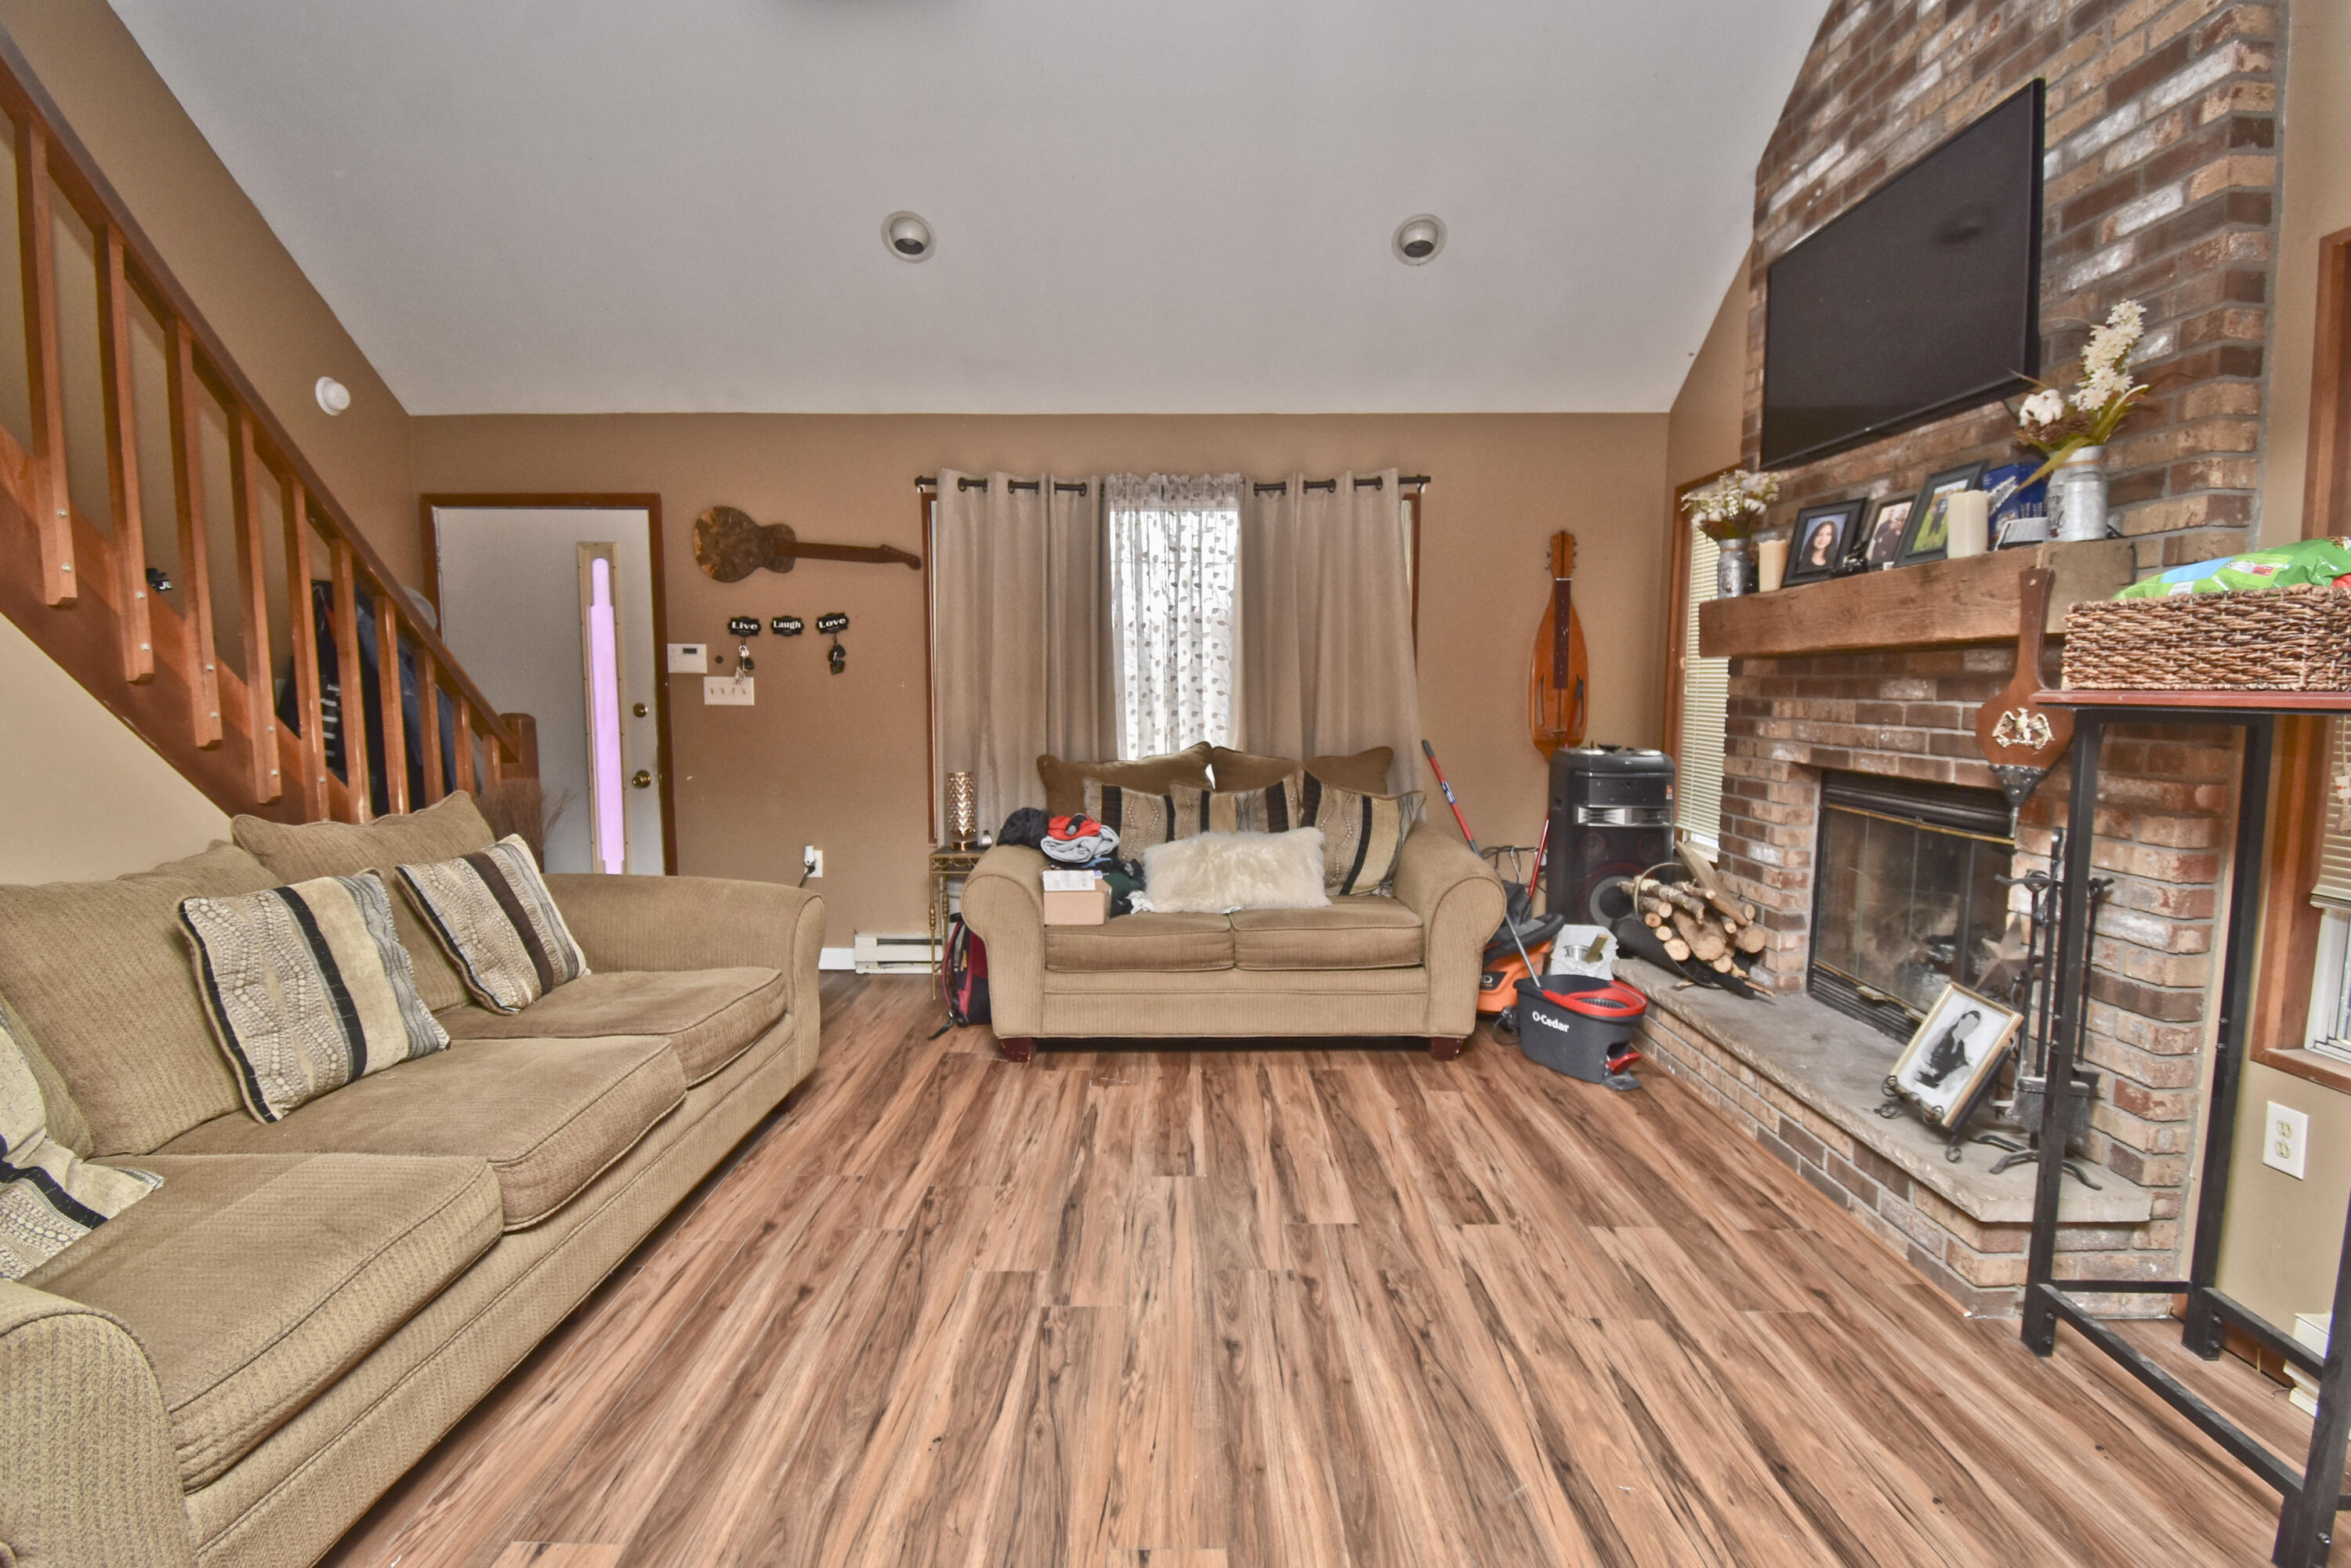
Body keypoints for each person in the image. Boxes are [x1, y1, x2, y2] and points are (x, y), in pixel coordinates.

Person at [1916, 1007, 1980, 1088]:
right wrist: (1932, 1068)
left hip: (1939, 1085)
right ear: (1961, 1022)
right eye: (1967, 1025)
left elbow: (1962, 1065)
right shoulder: (1944, 1033)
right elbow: (1924, 1053)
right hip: (1924, 1078)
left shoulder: (1962, 1047)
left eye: (1971, 1027)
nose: (1968, 1030)